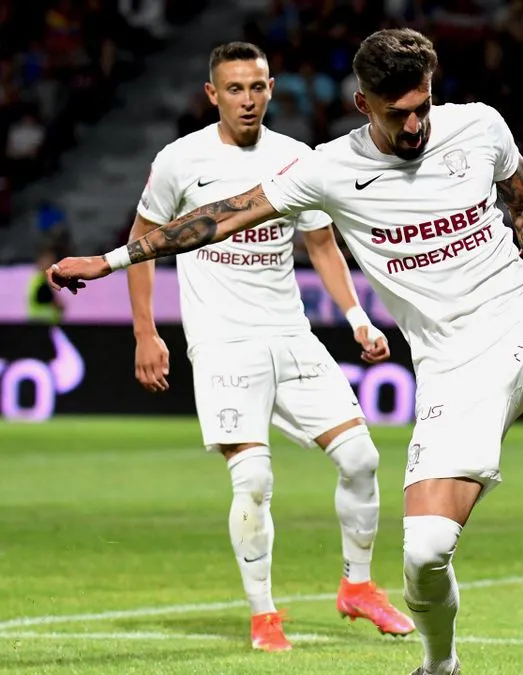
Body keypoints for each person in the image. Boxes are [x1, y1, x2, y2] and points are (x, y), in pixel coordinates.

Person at [47, 29, 523, 675]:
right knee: (425, 555)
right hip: (453, 371)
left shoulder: (479, 126)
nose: (414, 125)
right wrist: (110, 260)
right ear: (362, 103)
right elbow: (219, 216)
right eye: (398, 113)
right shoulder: (327, 169)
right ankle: (439, 662)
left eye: (423, 106)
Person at [123, 41, 414, 652]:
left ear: (272, 89)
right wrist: (146, 332)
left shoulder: (294, 158)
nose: (247, 99)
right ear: (212, 94)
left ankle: (358, 587)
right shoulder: (180, 160)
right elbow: (142, 244)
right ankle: (264, 617)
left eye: (257, 87)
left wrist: (358, 319)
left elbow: (322, 246)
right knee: (253, 478)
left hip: (291, 335)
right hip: (224, 344)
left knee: (362, 459)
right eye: (234, 89)